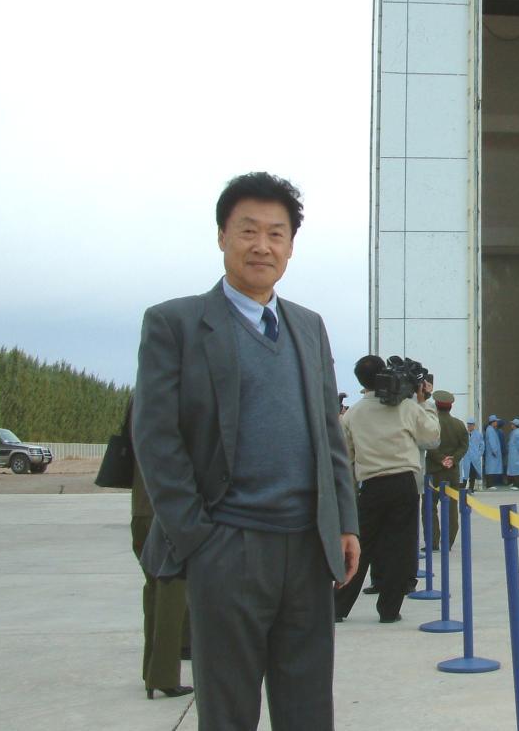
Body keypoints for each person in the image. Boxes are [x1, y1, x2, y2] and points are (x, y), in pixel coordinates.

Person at [132, 172, 360, 731]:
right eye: (248, 231)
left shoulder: (309, 327)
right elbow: (156, 438)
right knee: (229, 710)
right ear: (221, 237)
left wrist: (345, 522)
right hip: (228, 545)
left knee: (308, 708)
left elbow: (329, 435)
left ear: (290, 246)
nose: (263, 246)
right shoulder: (176, 324)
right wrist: (200, 540)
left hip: (307, 547)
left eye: (276, 234)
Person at [335, 355, 439, 623]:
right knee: (400, 548)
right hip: (403, 482)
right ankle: (389, 610)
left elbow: (346, 455)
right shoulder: (406, 406)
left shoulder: (354, 413)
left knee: (362, 546)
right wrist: (424, 402)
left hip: (370, 484)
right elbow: (431, 438)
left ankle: (338, 607)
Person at [127, 397, 192, 701]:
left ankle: (151, 670)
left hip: (142, 511)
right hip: (166, 513)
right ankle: (165, 675)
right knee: (171, 593)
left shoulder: (141, 399)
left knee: (154, 590)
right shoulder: (172, 404)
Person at [424, 391, 469, 548]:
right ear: (451, 406)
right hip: (452, 472)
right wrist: (453, 459)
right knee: (451, 507)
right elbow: (464, 445)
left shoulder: (431, 423)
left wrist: (440, 458)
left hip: (434, 471)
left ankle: (433, 542)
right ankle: (448, 542)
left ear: (436, 405)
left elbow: (428, 444)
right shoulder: (459, 424)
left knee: (430, 507)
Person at [460, 417, 484, 491]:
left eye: (471, 424)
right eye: (468, 424)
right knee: (465, 473)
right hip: (466, 457)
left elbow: (482, 446)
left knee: (472, 473)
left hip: (474, 458)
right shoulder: (464, 434)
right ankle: (462, 488)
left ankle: (471, 488)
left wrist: (478, 454)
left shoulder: (478, 434)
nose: (469, 426)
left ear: (474, 425)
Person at [484, 415, 504, 489]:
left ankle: (490, 484)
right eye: (496, 421)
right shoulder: (490, 430)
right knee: (491, 469)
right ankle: (490, 485)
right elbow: (492, 442)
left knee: (491, 468)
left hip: (492, 453)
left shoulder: (490, 429)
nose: (497, 423)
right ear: (493, 422)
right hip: (492, 453)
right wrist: (495, 451)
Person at [506, 417, 519, 490]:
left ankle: (518, 485)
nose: (511, 425)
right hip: (513, 454)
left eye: (512, 424)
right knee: (514, 469)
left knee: (517, 469)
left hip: (516, 454)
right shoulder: (514, 432)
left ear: (515, 425)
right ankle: (515, 483)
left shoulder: (517, 432)